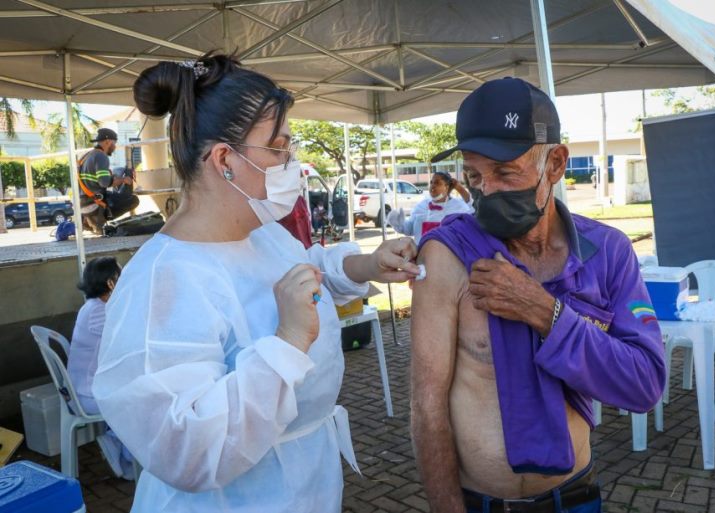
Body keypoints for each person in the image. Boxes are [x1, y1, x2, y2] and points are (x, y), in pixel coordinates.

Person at [91, 54, 419, 513]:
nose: (292, 163)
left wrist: (366, 266)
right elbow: (186, 447)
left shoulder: (262, 234)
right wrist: (287, 341)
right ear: (225, 159)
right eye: (279, 148)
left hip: (303, 485)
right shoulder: (164, 279)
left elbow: (305, 271)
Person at [410, 77, 666, 513]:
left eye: (505, 172)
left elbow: (643, 384)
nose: (486, 190)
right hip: (481, 504)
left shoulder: (606, 253)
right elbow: (427, 407)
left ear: (555, 164)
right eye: (474, 174)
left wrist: (547, 313)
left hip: (575, 499)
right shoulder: (448, 256)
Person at [67, 257, 135, 480]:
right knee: (142, 394)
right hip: (88, 396)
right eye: (121, 275)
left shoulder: (93, 306)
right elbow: (127, 343)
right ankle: (116, 442)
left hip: (84, 388)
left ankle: (119, 441)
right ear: (111, 283)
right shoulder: (99, 312)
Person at [78, 128, 140, 233]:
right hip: (95, 206)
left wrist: (114, 177)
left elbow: (97, 180)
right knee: (133, 200)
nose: (115, 146)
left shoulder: (87, 156)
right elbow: (104, 183)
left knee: (115, 195)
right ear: (107, 142)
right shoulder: (101, 156)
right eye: (114, 143)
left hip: (82, 203)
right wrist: (124, 180)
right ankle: (96, 221)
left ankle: (88, 220)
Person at [386, 170, 474, 244]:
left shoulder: (458, 207)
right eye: (431, 182)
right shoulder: (421, 206)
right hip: (421, 258)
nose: (432, 185)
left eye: (437, 183)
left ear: (446, 187)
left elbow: (474, 212)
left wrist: (460, 188)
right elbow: (409, 229)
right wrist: (399, 224)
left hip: (448, 260)